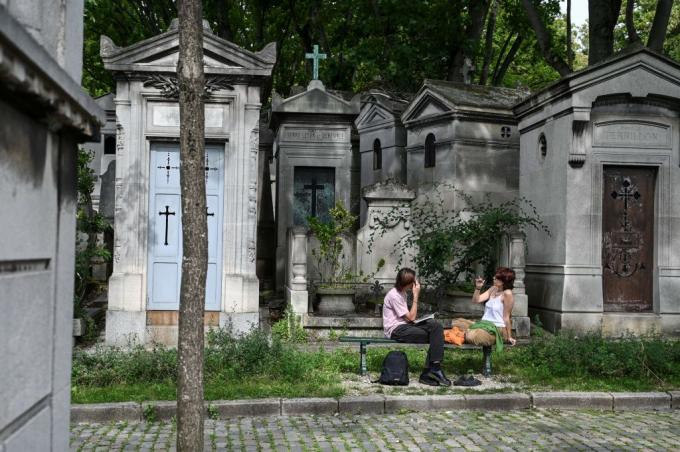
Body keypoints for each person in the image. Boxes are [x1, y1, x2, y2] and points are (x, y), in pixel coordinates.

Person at [382, 268, 451, 386]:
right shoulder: (394, 295)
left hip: (405, 326)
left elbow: (408, 319)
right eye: (414, 280)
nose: (416, 283)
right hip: (396, 330)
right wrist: (416, 295)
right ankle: (432, 370)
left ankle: (432, 369)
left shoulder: (402, 292)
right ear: (409, 283)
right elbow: (411, 317)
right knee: (435, 336)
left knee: (436, 327)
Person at [470, 267, 517, 346]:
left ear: (503, 281)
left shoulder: (507, 294)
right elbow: (475, 300)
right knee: (460, 326)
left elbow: (506, 317)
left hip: (497, 327)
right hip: (485, 324)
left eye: (496, 277)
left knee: (473, 336)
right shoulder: (493, 289)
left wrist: (509, 337)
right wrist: (478, 287)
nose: (493, 278)